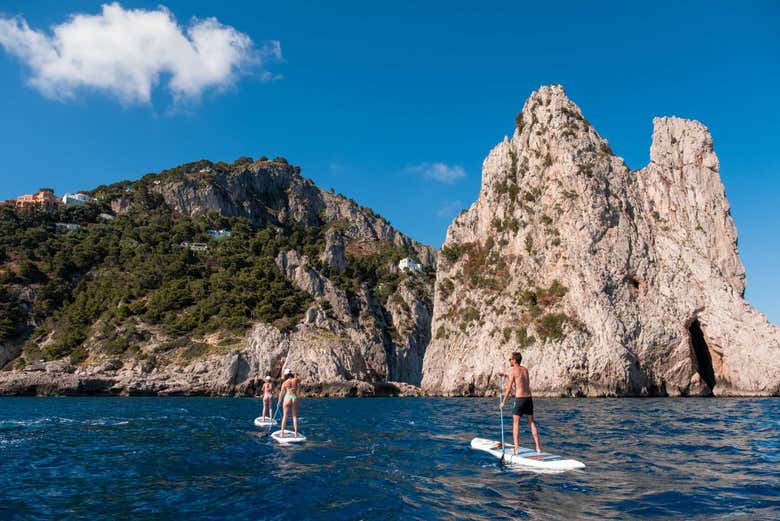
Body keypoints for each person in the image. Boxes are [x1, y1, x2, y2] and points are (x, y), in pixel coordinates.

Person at [499, 352, 542, 454]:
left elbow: (509, 389)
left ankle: (516, 449)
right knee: (531, 423)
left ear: (514, 360)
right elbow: (520, 379)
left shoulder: (513, 371)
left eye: (510, 359)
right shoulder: (525, 370)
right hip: (529, 399)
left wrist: (503, 402)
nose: (509, 361)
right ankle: (538, 448)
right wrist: (505, 374)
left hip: (520, 399)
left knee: (516, 423)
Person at [278, 368, 299, 437]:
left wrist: (279, 402)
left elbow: (281, 393)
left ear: (286, 375)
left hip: (287, 397)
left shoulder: (284, 383)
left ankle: (282, 433)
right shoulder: (296, 380)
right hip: (294, 397)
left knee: (285, 416)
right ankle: (296, 433)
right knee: (294, 416)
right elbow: (299, 385)